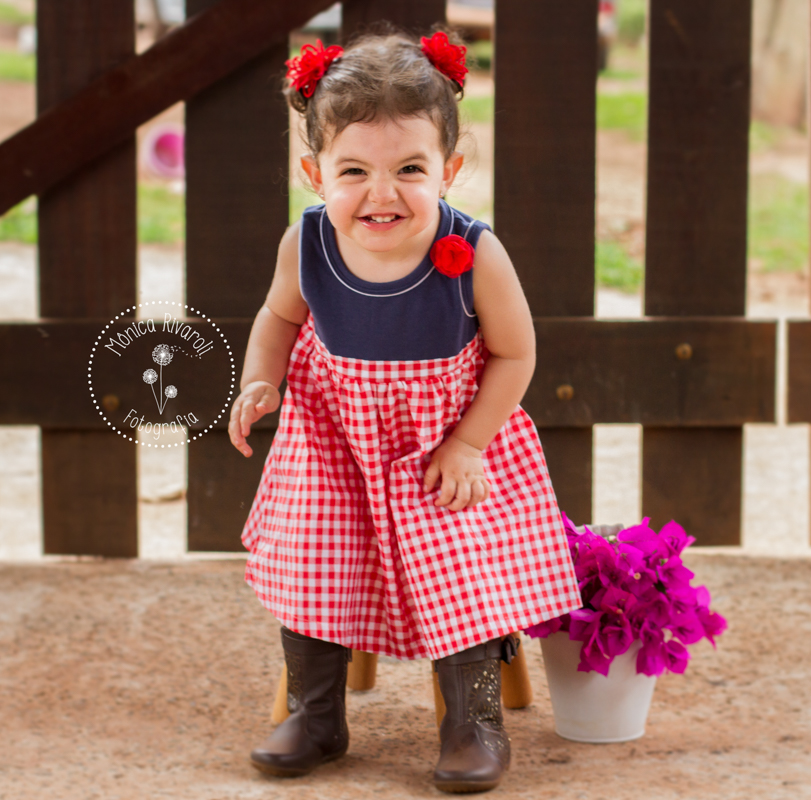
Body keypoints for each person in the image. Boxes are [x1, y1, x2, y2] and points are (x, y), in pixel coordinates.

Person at [228, 29, 581, 794]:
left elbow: (516, 353)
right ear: (313, 172)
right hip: (333, 445)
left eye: (409, 169)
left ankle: (472, 720)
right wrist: (261, 378)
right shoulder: (309, 242)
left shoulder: (474, 252)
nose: (381, 194)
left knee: (463, 565)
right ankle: (316, 716)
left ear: (449, 170)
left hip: (441, 447)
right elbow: (278, 319)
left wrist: (469, 444)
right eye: (353, 170)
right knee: (308, 552)